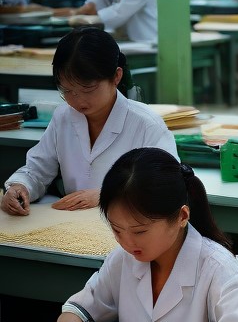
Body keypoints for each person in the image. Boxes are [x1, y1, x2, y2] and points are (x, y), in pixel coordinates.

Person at [56, 148, 238, 322]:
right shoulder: (123, 260)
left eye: (140, 231)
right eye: (116, 229)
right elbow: (73, 311)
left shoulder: (217, 267)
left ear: (182, 217)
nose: (127, 242)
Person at [2, 29, 177, 216]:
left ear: (116, 76)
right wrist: (21, 186)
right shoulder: (63, 117)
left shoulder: (146, 124)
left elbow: (167, 185)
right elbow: (38, 169)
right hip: (73, 225)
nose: (77, 100)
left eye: (88, 89)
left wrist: (107, 196)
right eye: (67, 91)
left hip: (128, 230)